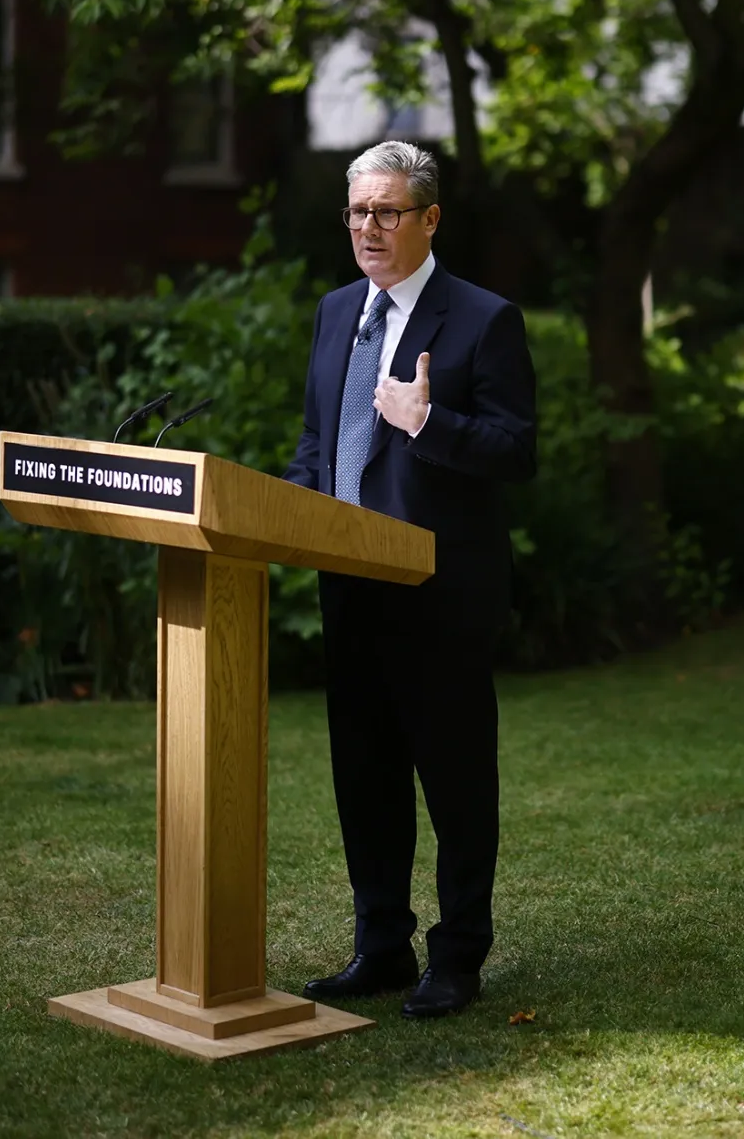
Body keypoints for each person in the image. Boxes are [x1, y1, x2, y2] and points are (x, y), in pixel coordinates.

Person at [284, 140, 538, 1019]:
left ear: (429, 219)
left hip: (441, 595)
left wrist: (428, 420)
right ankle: (380, 945)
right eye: (357, 211)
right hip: (349, 590)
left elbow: (517, 450)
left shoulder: (482, 320)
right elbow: (319, 446)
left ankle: (459, 956)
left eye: (387, 211)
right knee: (367, 777)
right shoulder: (333, 312)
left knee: (457, 783)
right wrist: (277, 507)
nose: (368, 227)